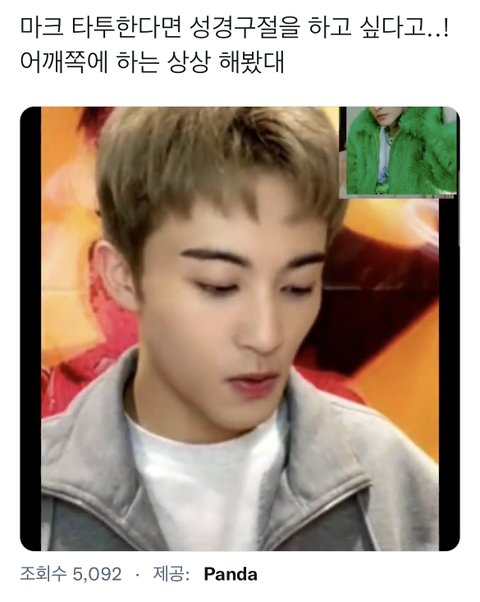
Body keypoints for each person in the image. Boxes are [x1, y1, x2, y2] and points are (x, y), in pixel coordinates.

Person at [41, 107, 438, 551]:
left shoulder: (385, 473)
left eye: (298, 286)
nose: (267, 336)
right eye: (218, 286)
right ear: (121, 275)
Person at [346, 106, 457, 196]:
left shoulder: (425, 125)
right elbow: (353, 184)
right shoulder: (360, 130)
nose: (377, 107)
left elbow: (450, 180)